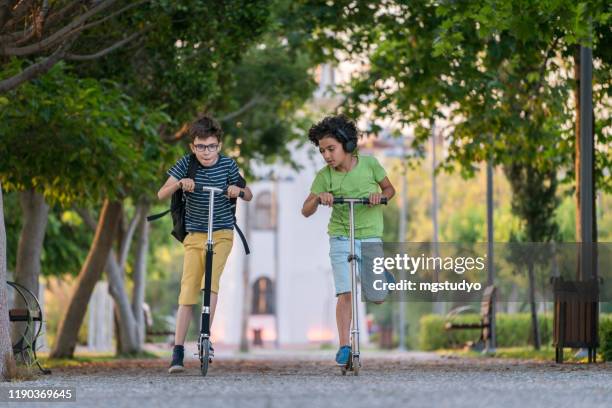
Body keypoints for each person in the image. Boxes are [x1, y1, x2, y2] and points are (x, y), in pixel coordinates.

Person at [157, 115, 252, 373]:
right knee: (188, 291)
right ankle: (177, 350)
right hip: (194, 235)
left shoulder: (228, 165)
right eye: (200, 146)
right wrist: (180, 183)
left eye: (211, 146)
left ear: (219, 145)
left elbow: (249, 194)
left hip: (221, 232)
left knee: (210, 280)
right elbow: (161, 193)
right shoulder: (185, 164)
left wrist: (237, 191)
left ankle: (205, 335)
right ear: (193, 146)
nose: (206, 152)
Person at [301, 114, 395, 366]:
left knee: (377, 296)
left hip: (369, 234)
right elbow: (305, 209)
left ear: (348, 145)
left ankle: (382, 276)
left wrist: (379, 196)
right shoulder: (325, 176)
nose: (327, 155)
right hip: (341, 236)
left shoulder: (370, 165)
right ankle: (344, 345)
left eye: (331, 149)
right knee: (344, 292)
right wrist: (319, 197)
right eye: (322, 151)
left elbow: (390, 189)